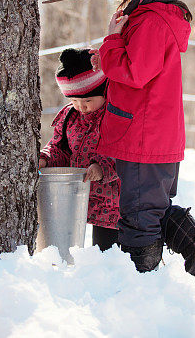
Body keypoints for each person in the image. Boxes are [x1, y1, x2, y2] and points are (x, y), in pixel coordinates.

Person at [94, 0, 195, 275]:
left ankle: (143, 286)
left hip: (143, 137)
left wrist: (110, 40)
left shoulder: (152, 20)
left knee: (139, 216)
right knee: (153, 208)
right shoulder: (150, 17)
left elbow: (134, 72)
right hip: (152, 136)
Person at [39, 48, 120, 251]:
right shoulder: (69, 116)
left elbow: (121, 149)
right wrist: (46, 159)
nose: (81, 107)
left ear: (103, 92)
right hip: (76, 197)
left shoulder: (114, 116)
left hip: (109, 201)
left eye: (87, 101)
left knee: (104, 252)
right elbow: (60, 147)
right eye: (74, 101)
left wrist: (102, 167)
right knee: (72, 249)